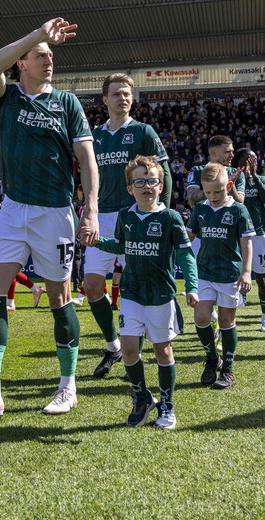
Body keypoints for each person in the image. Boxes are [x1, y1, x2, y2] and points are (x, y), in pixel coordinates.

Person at [0, 17, 99, 421]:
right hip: (14, 210)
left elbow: (86, 160)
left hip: (56, 212)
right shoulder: (5, 97)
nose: (48, 60)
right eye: (40, 56)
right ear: (22, 62)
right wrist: (37, 34)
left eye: (51, 56)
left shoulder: (67, 103)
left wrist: (92, 209)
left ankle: (67, 387)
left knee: (59, 298)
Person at [88, 156, 197, 429]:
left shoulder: (171, 218)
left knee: (162, 350)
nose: (146, 186)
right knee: (128, 348)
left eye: (152, 181)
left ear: (161, 186)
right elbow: (121, 247)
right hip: (132, 292)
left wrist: (192, 286)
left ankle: (167, 404)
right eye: (139, 181)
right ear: (130, 188)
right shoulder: (126, 216)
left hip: (161, 295)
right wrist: (97, 240)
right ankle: (141, 397)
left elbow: (185, 257)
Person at [84, 73, 170, 378]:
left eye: (127, 93)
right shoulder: (94, 136)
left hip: (136, 216)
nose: (123, 97)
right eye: (117, 93)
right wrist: (86, 210)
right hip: (102, 217)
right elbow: (85, 176)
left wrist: (162, 213)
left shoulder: (143, 131)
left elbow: (164, 172)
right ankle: (113, 345)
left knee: (139, 286)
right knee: (92, 285)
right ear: (104, 100)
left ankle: (138, 351)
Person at [186, 163, 253, 389]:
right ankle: (212, 358)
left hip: (230, 275)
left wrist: (246, 272)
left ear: (229, 185)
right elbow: (189, 236)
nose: (213, 196)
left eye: (218, 191)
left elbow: (246, 243)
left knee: (226, 321)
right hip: (203, 271)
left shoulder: (238, 210)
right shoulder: (200, 209)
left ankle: (228, 369)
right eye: (208, 192)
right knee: (201, 317)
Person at [233, 148, 265, 332]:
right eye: (247, 158)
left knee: (261, 277)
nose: (251, 160)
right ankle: (231, 316)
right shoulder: (233, 179)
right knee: (233, 275)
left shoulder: (262, 179)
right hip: (236, 234)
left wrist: (255, 176)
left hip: (257, 233)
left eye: (254, 157)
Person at [0, 191, 45, 311]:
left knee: (9, 268)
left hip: (15, 235)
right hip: (7, 234)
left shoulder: (21, 196)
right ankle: (34, 289)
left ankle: (11, 302)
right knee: (10, 270)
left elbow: (14, 216)